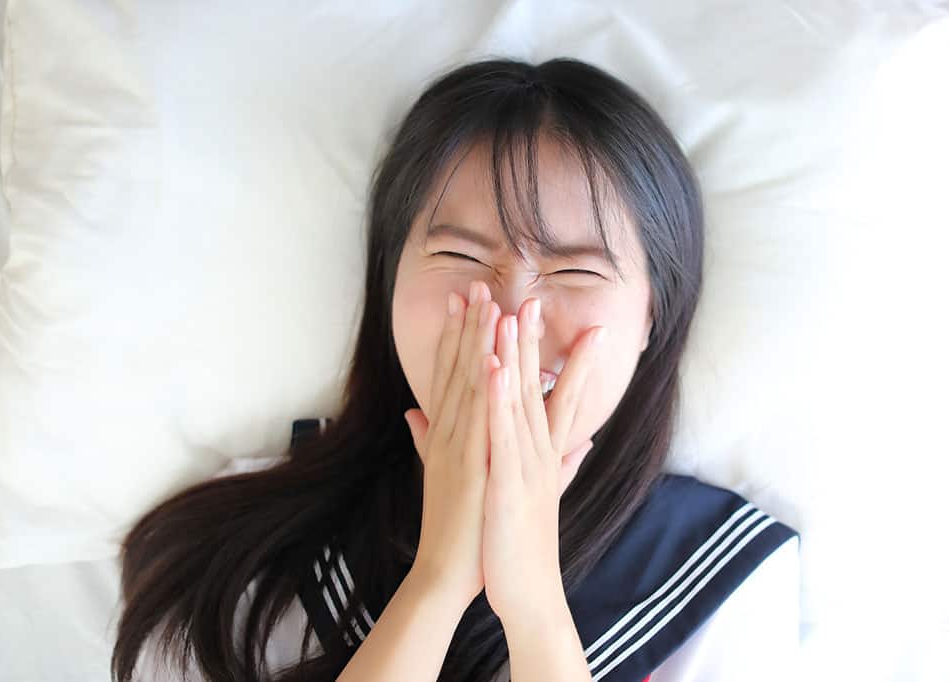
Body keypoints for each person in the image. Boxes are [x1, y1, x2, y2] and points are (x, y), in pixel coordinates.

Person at [110, 57, 800, 682]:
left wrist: (533, 605)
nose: (511, 320)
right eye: (463, 261)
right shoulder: (239, 559)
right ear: (390, 282)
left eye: (576, 270)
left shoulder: (721, 579)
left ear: (654, 313)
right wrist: (438, 579)